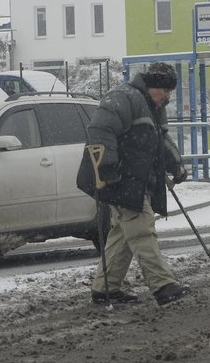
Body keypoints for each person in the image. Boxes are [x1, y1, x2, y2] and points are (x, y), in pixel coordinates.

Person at [76, 62, 191, 307]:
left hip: (135, 180)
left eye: (170, 91)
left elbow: (161, 139)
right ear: (152, 85)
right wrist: (107, 167)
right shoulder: (123, 97)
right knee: (141, 230)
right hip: (119, 178)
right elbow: (100, 130)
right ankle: (164, 286)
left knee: (124, 235)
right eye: (164, 90)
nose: (167, 96)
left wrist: (176, 165)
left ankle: (105, 289)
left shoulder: (153, 105)